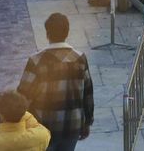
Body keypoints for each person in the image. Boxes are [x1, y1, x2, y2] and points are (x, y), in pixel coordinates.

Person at [15, 12, 95, 151]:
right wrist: (87, 122)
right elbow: (87, 94)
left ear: (47, 34)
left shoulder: (36, 61)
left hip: (44, 126)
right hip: (72, 125)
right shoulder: (80, 58)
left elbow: (23, 95)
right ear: (67, 32)